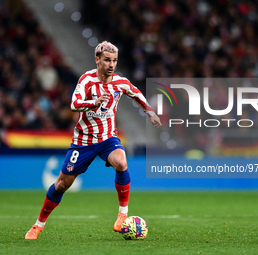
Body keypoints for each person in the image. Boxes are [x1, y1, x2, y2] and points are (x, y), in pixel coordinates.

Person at [25, 41, 162, 239]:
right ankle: (38, 225)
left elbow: (136, 94)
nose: (111, 64)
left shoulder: (120, 82)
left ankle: (122, 215)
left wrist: (150, 113)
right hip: (83, 142)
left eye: (114, 60)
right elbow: (74, 104)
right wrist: (93, 103)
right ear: (97, 60)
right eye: (107, 60)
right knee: (62, 185)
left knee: (122, 162)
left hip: (108, 138)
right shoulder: (87, 80)